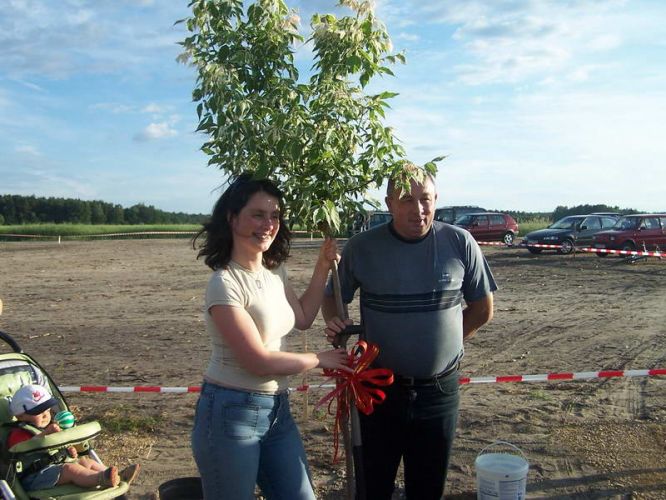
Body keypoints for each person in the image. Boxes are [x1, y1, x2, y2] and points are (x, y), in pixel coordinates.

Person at [322, 163, 497, 500]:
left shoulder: (460, 242)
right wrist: (337, 324)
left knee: (428, 487)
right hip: (378, 391)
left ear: (436, 200)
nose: (418, 210)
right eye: (406, 200)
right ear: (389, 203)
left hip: (439, 393)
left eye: (425, 199)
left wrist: (443, 345)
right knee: (374, 485)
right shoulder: (363, 247)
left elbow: (481, 310)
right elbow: (333, 297)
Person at [190, 172, 351, 499]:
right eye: (258, 215)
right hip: (230, 413)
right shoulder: (225, 284)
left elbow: (304, 318)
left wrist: (321, 267)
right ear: (233, 218)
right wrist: (319, 359)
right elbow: (257, 361)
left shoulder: (275, 271)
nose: (268, 224)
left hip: (277, 411)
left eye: (275, 216)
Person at [6, 384, 140, 491]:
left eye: (47, 410)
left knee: (86, 462)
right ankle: (100, 479)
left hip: (54, 466)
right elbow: (20, 449)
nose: (45, 415)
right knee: (70, 470)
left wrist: (68, 452)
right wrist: (44, 435)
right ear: (20, 416)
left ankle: (115, 476)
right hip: (33, 477)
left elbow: (55, 449)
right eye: (38, 412)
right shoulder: (19, 433)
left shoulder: (50, 426)